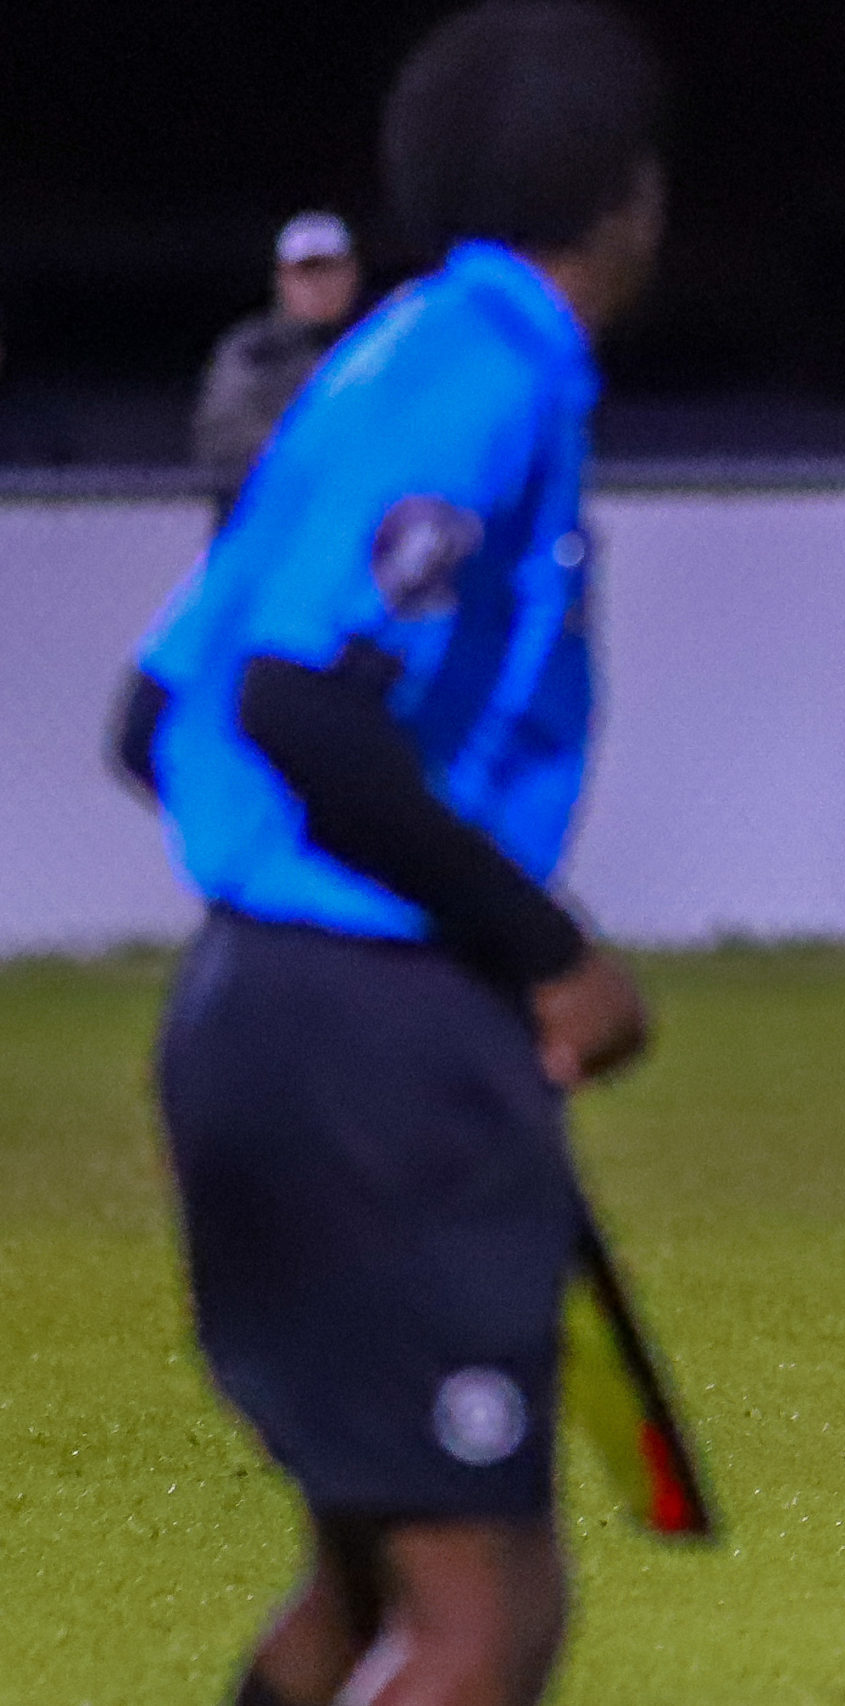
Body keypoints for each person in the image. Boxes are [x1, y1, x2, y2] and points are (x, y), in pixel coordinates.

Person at [110, 6, 663, 1703]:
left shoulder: (379, 363)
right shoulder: (486, 378)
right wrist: (541, 945)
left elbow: (157, 716)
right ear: (629, 200)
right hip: (379, 1053)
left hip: (256, 1018)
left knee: (366, 1596)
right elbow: (301, 702)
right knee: (482, 1622)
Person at [192, 212, 365, 506]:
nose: (318, 284)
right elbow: (225, 435)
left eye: (329, 270)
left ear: (352, 274)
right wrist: (312, 450)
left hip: (357, 508)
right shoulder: (252, 351)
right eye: (305, 271)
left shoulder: (376, 343)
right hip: (272, 512)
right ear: (283, 279)